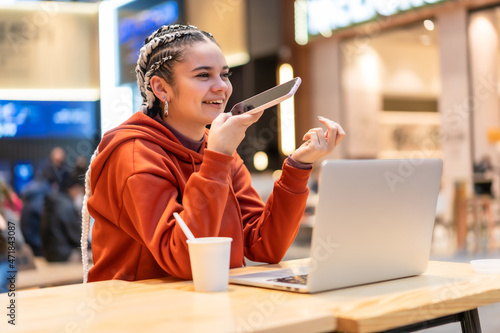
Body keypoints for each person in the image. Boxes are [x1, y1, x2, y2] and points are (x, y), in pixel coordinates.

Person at [81, 24, 345, 283]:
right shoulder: (134, 155)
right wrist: (218, 158)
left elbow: (265, 246)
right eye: (203, 75)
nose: (222, 87)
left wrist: (298, 166)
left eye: (225, 75)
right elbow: (186, 259)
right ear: (161, 88)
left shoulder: (216, 146)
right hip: (138, 316)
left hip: (208, 305)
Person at [41, 180, 83, 262]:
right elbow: (76, 237)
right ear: (72, 189)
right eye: (80, 190)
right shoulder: (66, 206)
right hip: (64, 254)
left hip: (48, 255)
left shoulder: (53, 202)